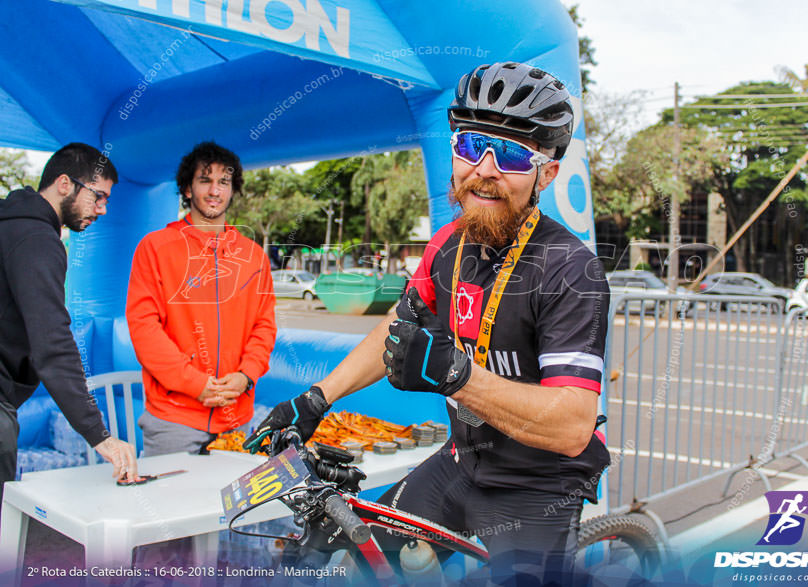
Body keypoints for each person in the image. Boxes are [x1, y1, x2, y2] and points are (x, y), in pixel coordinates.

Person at [247, 62, 611, 583]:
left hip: (539, 482)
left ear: (546, 174)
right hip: (463, 459)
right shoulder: (447, 245)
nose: (484, 169)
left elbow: (574, 425)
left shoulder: (571, 269)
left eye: (508, 154)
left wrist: (458, 376)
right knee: (365, 564)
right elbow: (393, 329)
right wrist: (314, 400)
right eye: (469, 147)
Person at [0, 143, 139, 499]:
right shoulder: (36, 240)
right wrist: (100, 435)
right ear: (64, 184)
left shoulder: (12, 226)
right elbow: (53, 344)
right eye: (98, 196)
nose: (103, 209)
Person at [126, 141, 276, 456]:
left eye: (224, 181)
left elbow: (264, 325)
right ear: (187, 188)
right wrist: (195, 383)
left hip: (236, 419)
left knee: (234, 507)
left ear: (234, 190)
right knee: (169, 507)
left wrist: (246, 376)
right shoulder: (155, 248)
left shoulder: (253, 256)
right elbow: (143, 328)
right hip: (173, 421)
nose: (214, 190)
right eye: (205, 180)